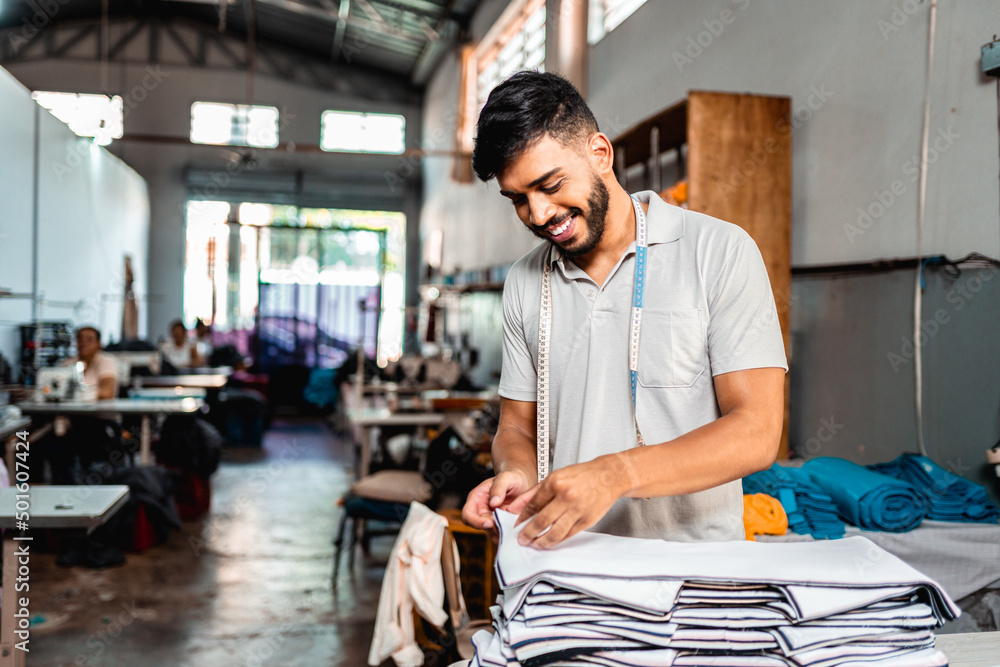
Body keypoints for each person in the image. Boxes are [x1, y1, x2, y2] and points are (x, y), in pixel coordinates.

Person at [461, 72, 788, 548]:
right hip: (565, 565)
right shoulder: (525, 282)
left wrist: (616, 474)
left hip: (695, 575)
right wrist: (514, 472)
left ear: (599, 153)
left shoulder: (719, 252)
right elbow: (516, 425)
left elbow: (757, 431)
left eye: (550, 185)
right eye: (518, 199)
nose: (538, 214)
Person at [70, 326, 119, 400]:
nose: (84, 343)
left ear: (99, 343)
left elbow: (107, 392)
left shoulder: (106, 361)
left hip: (99, 410)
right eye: (80, 339)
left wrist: (80, 395)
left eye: (89, 340)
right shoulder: (69, 363)